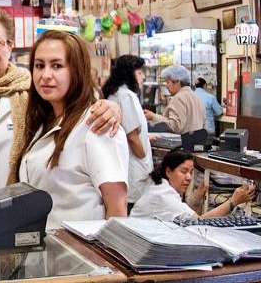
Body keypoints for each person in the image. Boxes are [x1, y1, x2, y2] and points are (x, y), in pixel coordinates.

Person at [0, 7, 121, 236]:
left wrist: (112, 107)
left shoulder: (33, 92)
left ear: (9, 46)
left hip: (23, 224)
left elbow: (80, 104)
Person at [12, 30, 129, 226]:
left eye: (57, 66)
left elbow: (117, 209)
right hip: (46, 249)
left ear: (76, 70)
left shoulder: (97, 124)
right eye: (39, 66)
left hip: (83, 252)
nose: (45, 75)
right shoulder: (44, 121)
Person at [132, 150, 255, 221]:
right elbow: (199, 222)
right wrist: (232, 202)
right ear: (168, 171)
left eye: (190, 172)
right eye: (184, 171)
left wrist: (196, 199)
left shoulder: (159, 187)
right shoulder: (163, 195)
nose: (189, 177)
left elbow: (181, 212)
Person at [103, 55, 151, 203]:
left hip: (122, 167)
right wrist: (143, 158)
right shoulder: (126, 96)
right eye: (139, 72)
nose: (142, 77)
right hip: (134, 168)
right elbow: (132, 136)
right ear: (129, 74)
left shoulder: (114, 93)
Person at [144, 64, 205, 134]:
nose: (166, 86)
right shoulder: (196, 97)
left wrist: (153, 116)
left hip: (182, 142)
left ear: (177, 81)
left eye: (168, 82)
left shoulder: (179, 98)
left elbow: (175, 126)